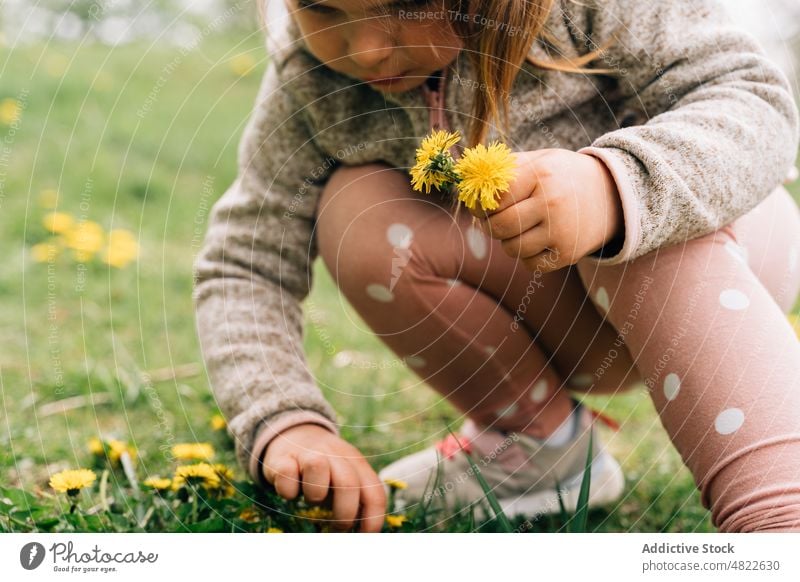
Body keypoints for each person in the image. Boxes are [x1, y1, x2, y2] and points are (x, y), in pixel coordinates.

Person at [193, 0, 800, 533]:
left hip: (726, 260)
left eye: (407, 2)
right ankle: (540, 451)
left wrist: (614, 189)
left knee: (632, 213)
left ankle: (780, 515)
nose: (368, 48)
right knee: (358, 208)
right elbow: (246, 260)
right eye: (321, 7)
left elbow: (752, 97)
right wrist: (283, 419)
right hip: (565, 314)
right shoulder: (310, 81)